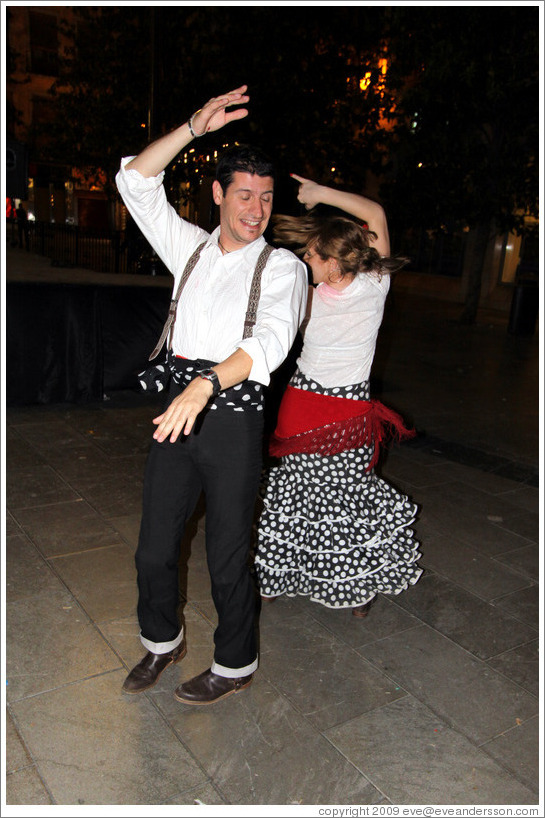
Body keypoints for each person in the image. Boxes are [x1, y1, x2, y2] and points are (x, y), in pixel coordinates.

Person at [115, 86, 307, 704]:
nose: (256, 209)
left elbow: (271, 342)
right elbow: (135, 181)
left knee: (227, 550)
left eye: (266, 197)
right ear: (219, 193)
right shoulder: (190, 248)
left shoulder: (283, 268)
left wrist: (206, 383)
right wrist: (193, 126)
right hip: (181, 407)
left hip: (231, 417)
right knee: (153, 547)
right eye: (244, 194)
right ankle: (161, 644)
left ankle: (235, 662)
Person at [255, 174, 422, 615]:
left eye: (311, 255)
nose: (304, 259)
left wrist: (319, 194)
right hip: (317, 405)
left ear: (333, 262)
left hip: (335, 409)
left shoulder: (346, 288)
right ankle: (297, 576)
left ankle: (341, 582)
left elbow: (375, 217)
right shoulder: (370, 285)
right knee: (316, 493)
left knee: (323, 495)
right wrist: (322, 196)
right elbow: (376, 215)